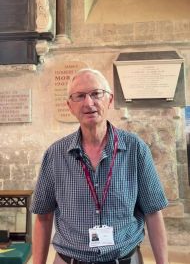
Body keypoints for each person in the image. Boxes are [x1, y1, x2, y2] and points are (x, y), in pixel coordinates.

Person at [30, 68, 169, 264]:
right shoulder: (55, 155)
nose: (88, 103)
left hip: (125, 259)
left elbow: (153, 212)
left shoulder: (135, 148)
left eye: (96, 94)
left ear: (109, 100)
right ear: (69, 106)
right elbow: (43, 217)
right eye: (79, 96)